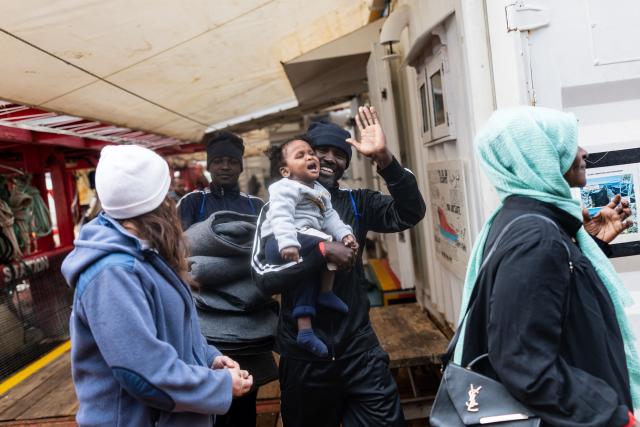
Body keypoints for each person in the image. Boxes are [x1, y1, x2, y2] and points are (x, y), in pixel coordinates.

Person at [453, 106, 640, 427]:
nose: (582, 152)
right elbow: (525, 362)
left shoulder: (523, 220)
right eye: (569, 145)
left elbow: (552, 306)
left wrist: (590, 244)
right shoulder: (537, 239)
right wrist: (611, 415)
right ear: (537, 156)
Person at [252, 106, 426, 426]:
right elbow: (263, 279)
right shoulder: (278, 207)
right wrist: (320, 251)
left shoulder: (359, 202)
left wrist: (385, 160)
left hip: (360, 353)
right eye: (321, 151)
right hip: (305, 359)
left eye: (339, 153)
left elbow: (410, 212)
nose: (330, 158)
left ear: (347, 163)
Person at [61, 145, 252, 427]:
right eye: (166, 191)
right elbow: (144, 373)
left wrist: (210, 358)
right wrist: (220, 386)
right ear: (157, 200)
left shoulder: (144, 251)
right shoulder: (113, 273)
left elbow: (175, 331)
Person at [178, 131, 276, 427]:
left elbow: (266, 253)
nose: (224, 167)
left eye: (231, 161)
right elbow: (181, 252)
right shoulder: (193, 202)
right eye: (217, 161)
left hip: (248, 311)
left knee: (247, 388)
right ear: (208, 165)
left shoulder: (255, 205)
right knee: (214, 389)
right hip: (206, 313)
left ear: (241, 166)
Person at [261, 137, 358, 357]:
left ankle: (306, 327)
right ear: (286, 171)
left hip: (307, 239)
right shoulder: (284, 188)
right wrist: (287, 242)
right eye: (300, 155)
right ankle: (324, 293)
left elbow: (330, 216)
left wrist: (345, 235)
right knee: (326, 246)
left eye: (310, 153)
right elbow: (281, 216)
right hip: (281, 242)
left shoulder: (319, 191)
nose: (310, 157)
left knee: (308, 274)